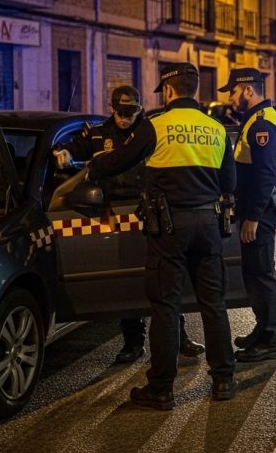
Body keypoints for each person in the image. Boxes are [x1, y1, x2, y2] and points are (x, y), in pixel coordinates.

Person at [88, 63, 238, 408]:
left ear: (169, 91)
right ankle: (223, 382)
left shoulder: (156, 126)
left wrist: (91, 167)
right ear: (195, 90)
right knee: (214, 305)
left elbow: (122, 160)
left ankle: (161, 388)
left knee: (166, 307)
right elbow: (229, 183)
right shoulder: (216, 128)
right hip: (209, 224)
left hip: (168, 227)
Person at [52, 86, 206, 365]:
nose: (124, 118)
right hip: (114, 213)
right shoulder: (98, 133)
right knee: (126, 277)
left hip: (150, 210)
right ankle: (133, 343)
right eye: (120, 112)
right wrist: (62, 152)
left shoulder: (150, 131)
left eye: (131, 112)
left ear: (140, 109)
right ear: (111, 107)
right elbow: (72, 149)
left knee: (167, 276)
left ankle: (179, 337)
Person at [220, 68, 276, 363]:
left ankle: (270, 338)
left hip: (260, 211)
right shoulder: (254, 121)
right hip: (255, 209)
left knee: (261, 273)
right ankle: (262, 330)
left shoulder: (262, 125)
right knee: (254, 272)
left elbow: (265, 174)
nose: (231, 98)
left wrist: (253, 217)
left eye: (233, 91)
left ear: (248, 90)